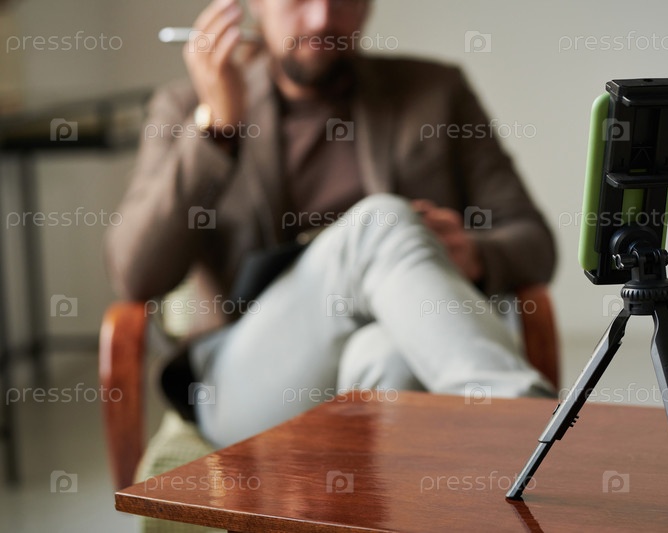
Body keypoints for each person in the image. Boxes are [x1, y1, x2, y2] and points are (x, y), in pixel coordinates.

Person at [106, 0, 556, 448]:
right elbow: (136, 273)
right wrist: (216, 130)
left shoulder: (435, 91)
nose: (322, 18)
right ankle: (532, 435)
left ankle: (399, 493)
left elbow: (533, 240)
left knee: (388, 356)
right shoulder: (187, 106)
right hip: (243, 380)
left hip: (383, 352)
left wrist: (474, 253)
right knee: (381, 223)